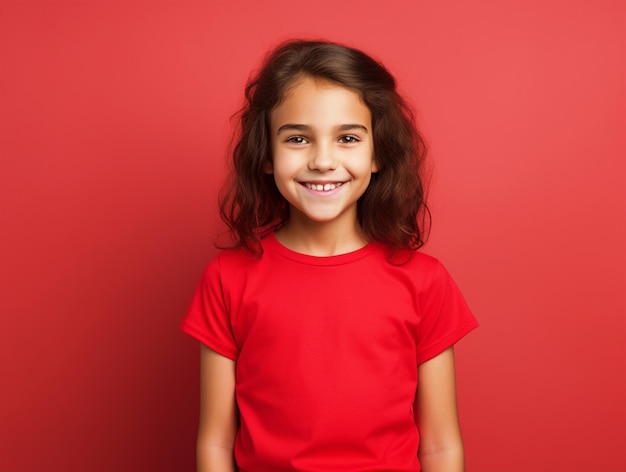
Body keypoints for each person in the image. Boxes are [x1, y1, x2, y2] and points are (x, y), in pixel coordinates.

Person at [182, 39, 478, 472]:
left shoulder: (424, 280)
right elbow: (214, 443)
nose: (323, 160)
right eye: (298, 138)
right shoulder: (227, 278)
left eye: (347, 138)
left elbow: (440, 446)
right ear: (266, 154)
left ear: (377, 154)